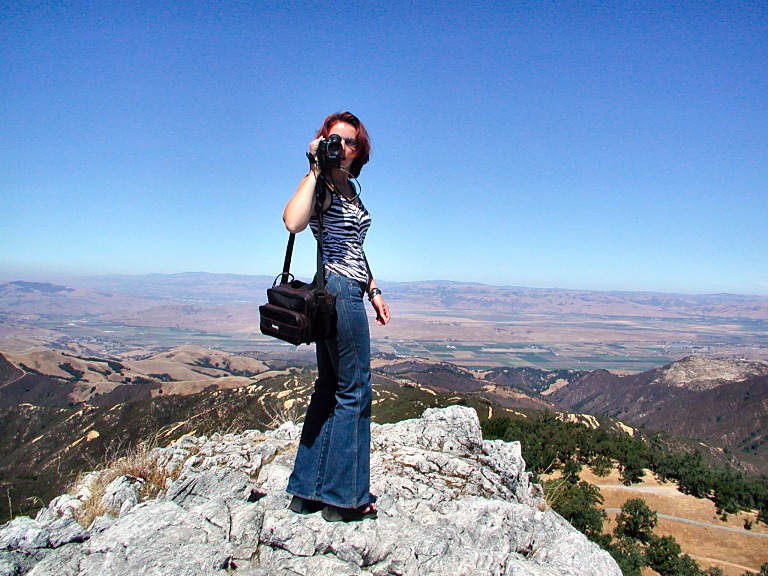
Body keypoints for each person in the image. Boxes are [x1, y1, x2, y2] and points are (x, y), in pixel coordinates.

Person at [282, 111, 390, 522]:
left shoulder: (349, 188)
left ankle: (307, 490)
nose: (343, 147)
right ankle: (346, 498)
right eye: (336, 139)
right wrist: (313, 168)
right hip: (338, 292)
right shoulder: (322, 185)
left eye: (351, 142)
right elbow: (293, 222)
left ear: (359, 151)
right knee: (355, 390)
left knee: (330, 387)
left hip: (346, 289)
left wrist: (374, 290)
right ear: (323, 140)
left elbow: (354, 248)